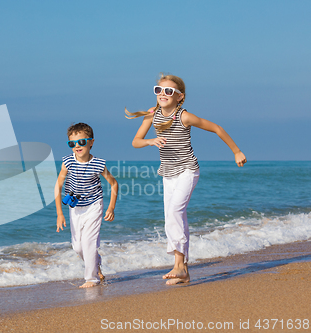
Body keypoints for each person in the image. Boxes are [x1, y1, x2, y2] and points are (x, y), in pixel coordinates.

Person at [126, 73, 247, 285]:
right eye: (159, 90)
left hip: (187, 170)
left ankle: (179, 265)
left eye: (168, 91)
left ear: (179, 97)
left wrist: (236, 151)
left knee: (175, 212)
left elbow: (216, 128)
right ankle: (184, 272)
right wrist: (150, 141)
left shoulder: (184, 116)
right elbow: (136, 141)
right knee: (173, 217)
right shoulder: (151, 115)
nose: (163, 94)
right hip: (167, 172)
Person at [55, 123, 119, 288]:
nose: (77, 146)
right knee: (77, 247)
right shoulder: (67, 162)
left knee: (89, 242)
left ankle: (91, 279)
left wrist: (111, 207)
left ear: (91, 142)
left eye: (82, 142)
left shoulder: (98, 164)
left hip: (94, 205)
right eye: (72, 143)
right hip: (75, 207)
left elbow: (114, 184)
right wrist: (59, 214)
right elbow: (58, 186)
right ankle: (96, 263)